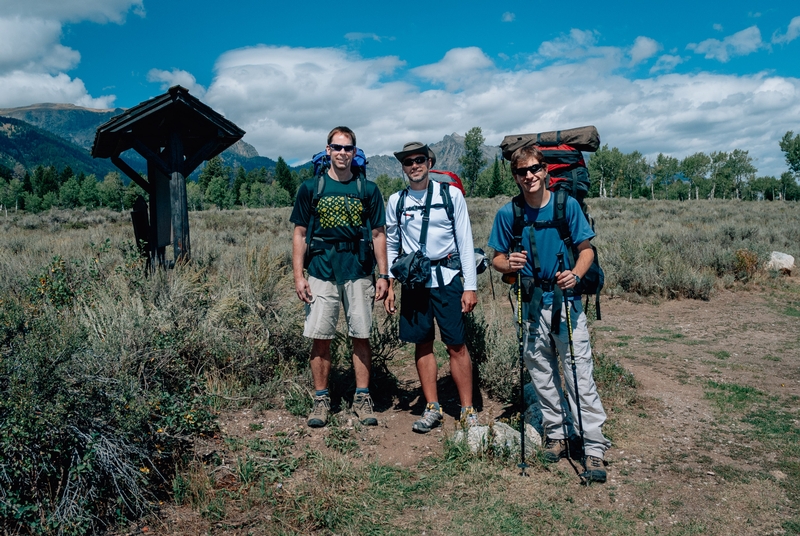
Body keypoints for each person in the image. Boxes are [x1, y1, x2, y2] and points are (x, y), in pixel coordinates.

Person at [488, 145, 610, 482]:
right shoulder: (508, 214)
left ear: (546, 171)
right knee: (541, 373)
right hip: (529, 305)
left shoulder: (565, 206)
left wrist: (577, 274)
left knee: (578, 374)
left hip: (566, 304)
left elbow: (586, 250)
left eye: (535, 169)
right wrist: (506, 263)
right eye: (521, 171)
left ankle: (593, 449)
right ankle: (557, 434)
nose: (528, 176)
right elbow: (496, 258)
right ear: (515, 176)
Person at [291, 126, 390, 428]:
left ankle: (362, 397)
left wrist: (384, 275)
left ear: (355, 152)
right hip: (321, 270)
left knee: (361, 334)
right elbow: (299, 233)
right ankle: (321, 399)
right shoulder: (311, 187)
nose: (342, 153)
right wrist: (298, 275)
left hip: (358, 271)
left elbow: (378, 234)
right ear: (327, 150)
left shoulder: (368, 190)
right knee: (321, 337)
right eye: (337, 147)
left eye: (348, 149)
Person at [384, 141, 479, 433]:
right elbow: (391, 243)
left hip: (448, 281)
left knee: (456, 345)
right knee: (422, 343)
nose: (414, 165)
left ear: (429, 161)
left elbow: (465, 241)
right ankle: (432, 408)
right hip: (414, 283)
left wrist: (470, 285)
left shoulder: (450, 195)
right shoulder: (396, 201)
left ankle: (467, 410)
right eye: (408, 161)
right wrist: (388, 282)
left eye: (419, 159)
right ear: (403, 167)